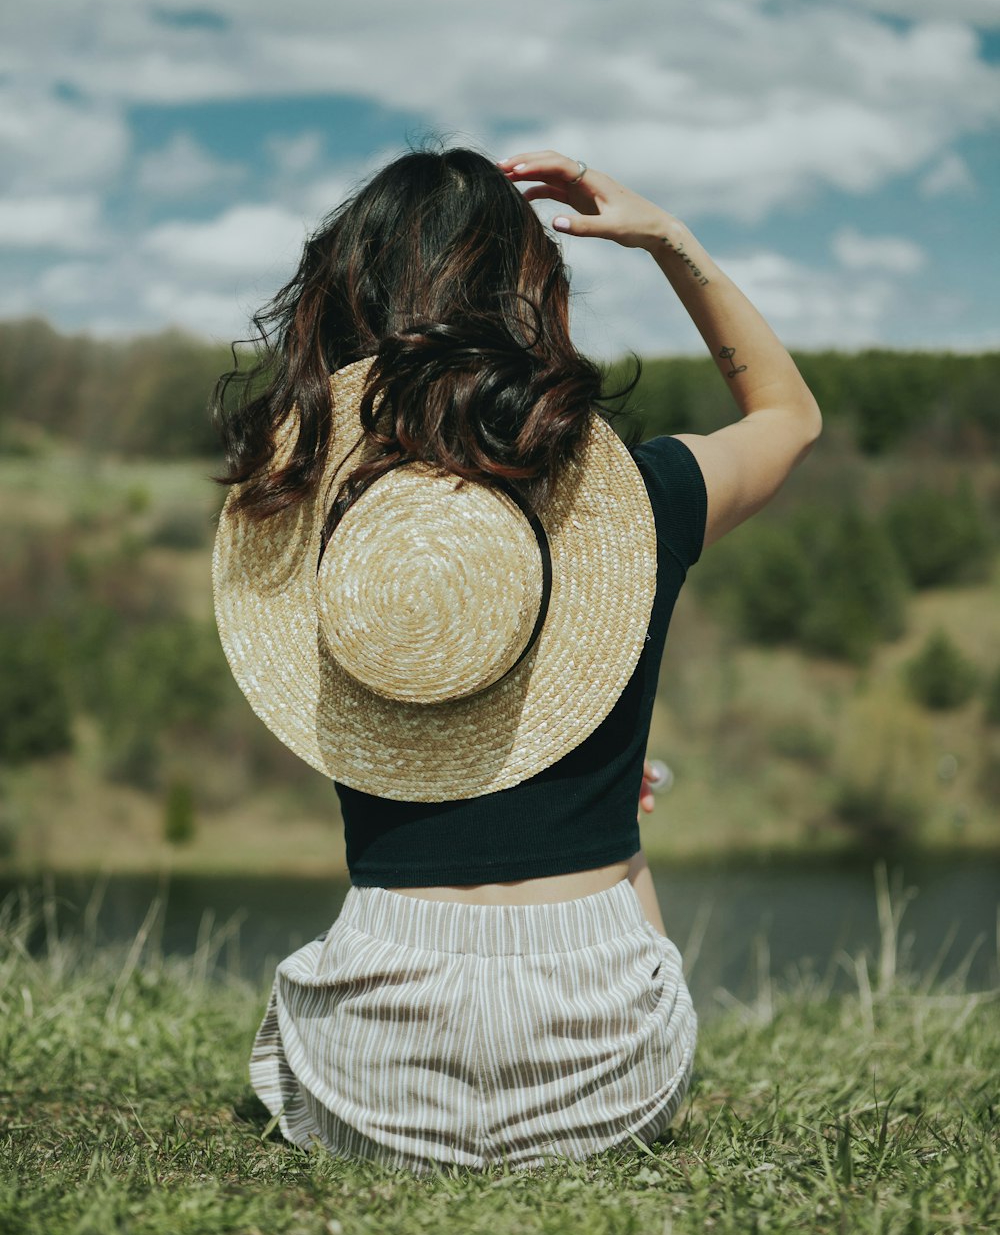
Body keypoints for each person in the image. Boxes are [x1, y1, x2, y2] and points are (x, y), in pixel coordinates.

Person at [210, 145, 823, 1176]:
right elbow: (788, 416)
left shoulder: (312, 521)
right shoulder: (643, 496)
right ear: (533, 302)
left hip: (368, 1082)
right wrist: (668, 241)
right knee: (621, 811)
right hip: (607, 1079)